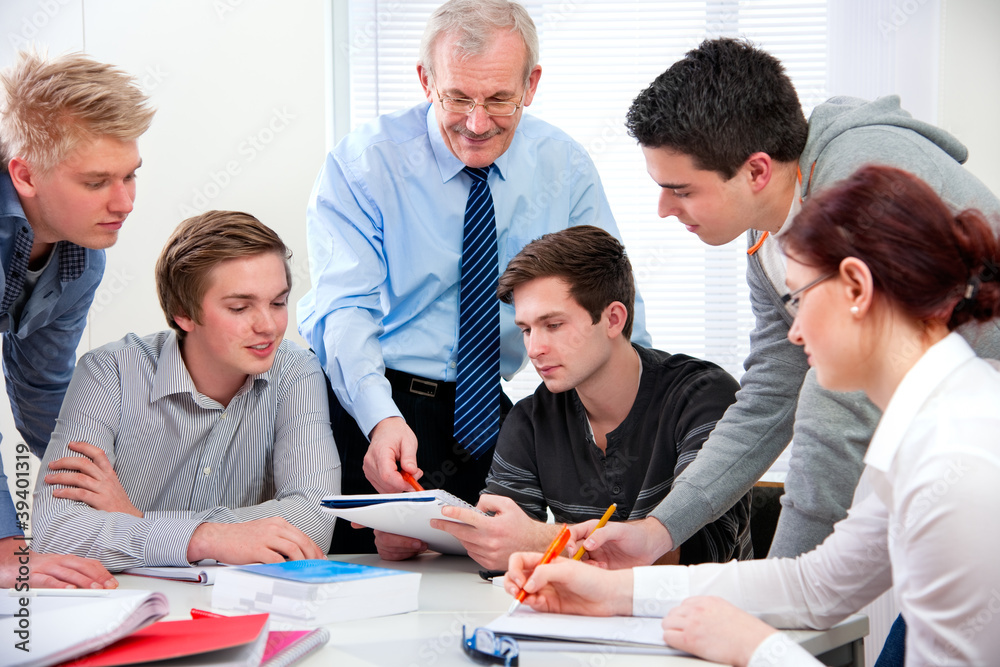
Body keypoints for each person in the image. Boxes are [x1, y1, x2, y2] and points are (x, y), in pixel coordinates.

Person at [507, 165, 1000, 665]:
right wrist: (606, 592)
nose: (793, 332)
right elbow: (817, 586)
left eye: (798, 299)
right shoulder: (926, 424)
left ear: (856, 287)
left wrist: (757, 649)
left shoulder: (956, 462)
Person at [574, 37, 1000, 567]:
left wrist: (778, 586)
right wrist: (660, 528)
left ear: (755, 171)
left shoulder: (860, 179)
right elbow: (773, 392)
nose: (664, 209)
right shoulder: (768, 238)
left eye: (681, 190)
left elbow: (835, 412)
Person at [297, 0, 649, 553]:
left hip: (488, 415)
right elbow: (344, 310)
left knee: (487, 579)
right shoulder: (365, 163)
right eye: (457, 97)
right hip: (370, 405)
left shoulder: (565, 166)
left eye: (499, 99)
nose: (477, 123)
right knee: (362, 581)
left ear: (531, 85)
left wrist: (641, 417)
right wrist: (378, 417)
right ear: (425, 80)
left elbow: (612, 301)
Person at [375, 226, 749, 568]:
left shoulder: (703, 396)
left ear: (613, 319)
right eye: (526, 329)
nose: (534, 349)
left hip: (705, 625)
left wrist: (545, 541)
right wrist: (428, 539)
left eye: (553, 325)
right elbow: (505, 537)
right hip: (578, 624)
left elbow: (706, 552)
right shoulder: (532, 419)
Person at [31, 211, 341, 570]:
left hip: (243, 608)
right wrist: (206, 538)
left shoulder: (297, 372)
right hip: (127, 602)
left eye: (278, 302)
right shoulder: (108, 373)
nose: (269, 326)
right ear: (183, 313)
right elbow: (55, 531)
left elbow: (314, 521)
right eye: (240, 307)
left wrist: (135, 517)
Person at [0, 51, 154, 588]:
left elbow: (42, 392)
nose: (125, 201)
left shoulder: (81, 257)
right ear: (25, 175)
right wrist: (8, 551)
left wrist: (121, 500)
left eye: (130, 175)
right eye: (96, 183)